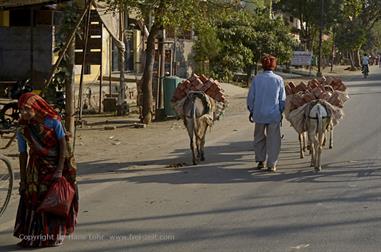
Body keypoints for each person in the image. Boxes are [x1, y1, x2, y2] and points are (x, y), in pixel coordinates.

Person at [14, 93, 78, 248]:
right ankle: (34, 236)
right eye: (21, 110)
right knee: (33, 200)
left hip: (55, 165)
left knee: (54, 200)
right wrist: (23, 180)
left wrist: (60, 169)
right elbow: (22, 154)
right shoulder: (22, 128)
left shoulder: (53, 121)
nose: (23, 113)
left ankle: (55, 234)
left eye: (27, 109)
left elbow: (63, 145)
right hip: (35, 169)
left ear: (36, 108)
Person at [247, 54, 286, 172]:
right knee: (274, 139)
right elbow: (282, 99)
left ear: (262, 66)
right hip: (273, 115)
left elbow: (250, 97)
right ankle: (272, 164)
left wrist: (252, 110)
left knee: (259, 137)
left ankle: (260, 161)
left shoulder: (256, 79)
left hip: (259, 114)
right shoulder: (278, 79)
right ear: (274, 66)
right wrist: (281, 111)